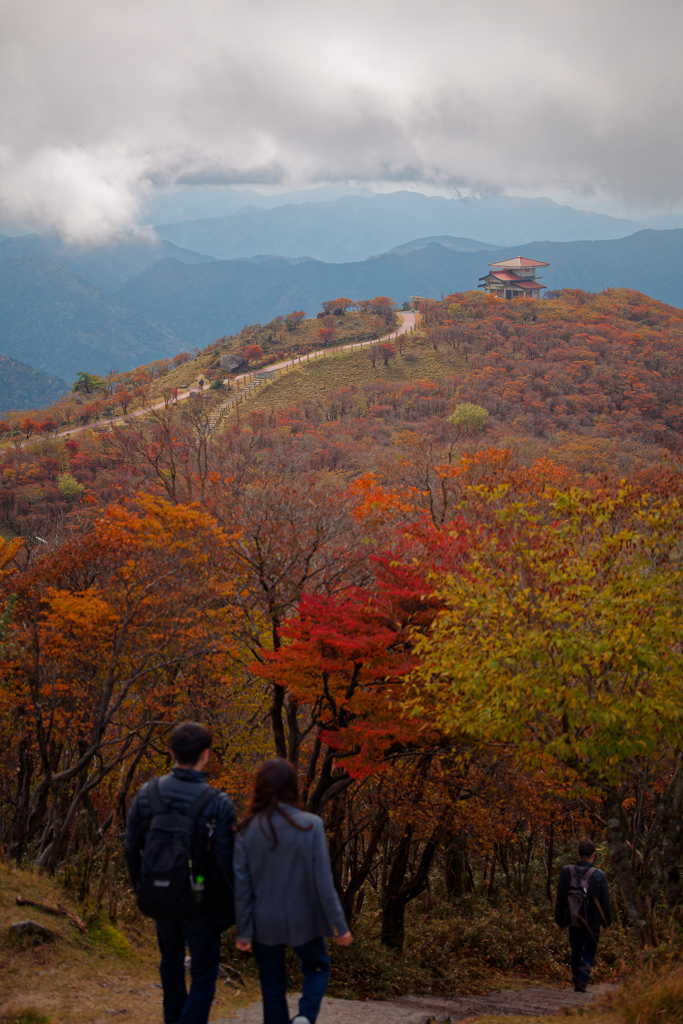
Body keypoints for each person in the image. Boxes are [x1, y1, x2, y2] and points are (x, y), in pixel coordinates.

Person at [124, 722, 236, 1024]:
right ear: (206, 755)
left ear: (171, 752)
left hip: (161, 893)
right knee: (203, 972)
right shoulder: (218, 804)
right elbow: (226, 863)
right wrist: (228, 910)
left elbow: (131, 848)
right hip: (200, 901)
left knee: (170, 962)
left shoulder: (147, 795)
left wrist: (145, 888)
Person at [234, 759, 352, 1024]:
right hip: (305, 919)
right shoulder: (310, 825)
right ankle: (305, 1018)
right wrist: (339, 926)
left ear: (259, 787)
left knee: (272, 987)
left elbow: (242, 886)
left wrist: (243, 931)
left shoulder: (246, 828)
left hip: (263, 920)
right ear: (292, 786)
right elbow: (323, 881)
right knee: (317, 968)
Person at [554, 839, 612, 993]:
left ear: (578, 853)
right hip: (593, 923)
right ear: (593, 855)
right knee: (589, 952)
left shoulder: (567, 872)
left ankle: (576, 980)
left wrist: (560, 920)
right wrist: (607, 922)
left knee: (576, 951)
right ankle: (582, 982)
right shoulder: (599, 875)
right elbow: (605, 902)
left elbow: (560, 898)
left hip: (573, 920)